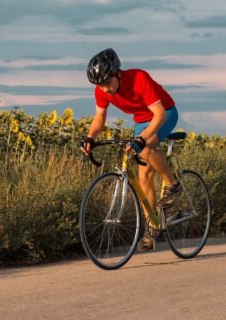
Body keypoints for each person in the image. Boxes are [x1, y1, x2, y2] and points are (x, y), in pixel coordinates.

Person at [80, 48, 182, 251]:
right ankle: (152, 230)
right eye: (101, 86)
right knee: (143, 175)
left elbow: (160, 114)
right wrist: (90, 138)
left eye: (108, 83)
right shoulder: (101, 90)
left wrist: (142, 139)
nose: (106, 89)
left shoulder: (138, 78)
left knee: (143, 149)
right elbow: (100, 118)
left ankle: (173, 185)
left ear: (118, 73)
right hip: (142, 120)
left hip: (164, 114)